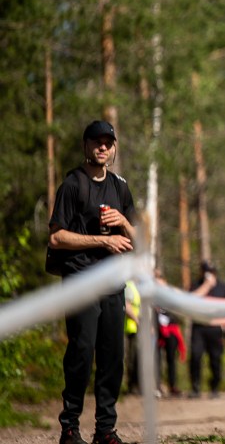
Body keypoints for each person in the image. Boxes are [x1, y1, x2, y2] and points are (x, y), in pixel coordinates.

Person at [48, 120, 137, 444]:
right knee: (82, 353)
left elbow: (140, 239)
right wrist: (103, 241)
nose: (102, 147)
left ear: (113, 149)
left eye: (107, 143)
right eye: (96, 141)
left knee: (113, 357)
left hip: (113, 282)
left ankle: (105, 430)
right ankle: (70, 428)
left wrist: (124, 222)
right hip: (80, 279)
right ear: (85, 145)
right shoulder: (73, 184)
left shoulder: (120, 187)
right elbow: (57, 237)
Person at [188, 260, 225, 399]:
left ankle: (215, 387)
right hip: (199, 327)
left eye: (212, 272)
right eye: (206, 272)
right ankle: (195, 388)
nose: (209, 274)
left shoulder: (223, 286)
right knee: (195, 357)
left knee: (215, 359)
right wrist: (206, 286)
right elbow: (190, 300)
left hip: (216, 328)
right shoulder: (196, 285)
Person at [153, 269, 186, 398]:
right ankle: (157, 386)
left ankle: (173, 386)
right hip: (157, 330)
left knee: (171, 359)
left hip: (171, 329)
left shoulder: (170, 293)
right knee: (156, 359)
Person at [123, 279, 141, 396]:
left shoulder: (137, 286)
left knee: (136, 359)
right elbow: (127, 306)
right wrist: (138, 321)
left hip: (135, 327)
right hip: (131, 328)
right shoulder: (129, 285)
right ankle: (131, 387)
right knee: (131, 359)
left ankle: (135, 386)